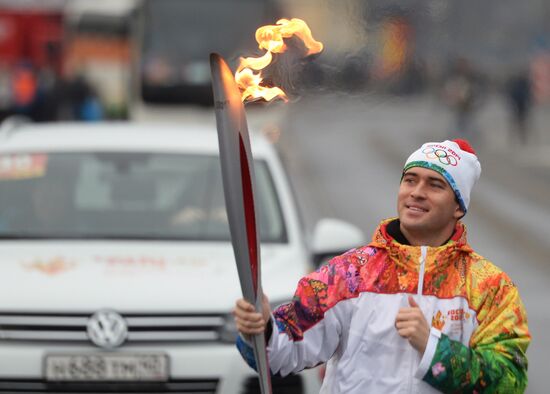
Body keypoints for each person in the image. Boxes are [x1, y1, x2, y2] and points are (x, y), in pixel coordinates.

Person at [233, 139, 530, 393]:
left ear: (458, 206)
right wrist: (262, 329)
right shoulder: (350, 274)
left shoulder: (489, 287)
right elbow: (284, 351)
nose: (416, 191)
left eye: (435, 185)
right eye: (410, 180)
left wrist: (434, 349)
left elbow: (510, 381)